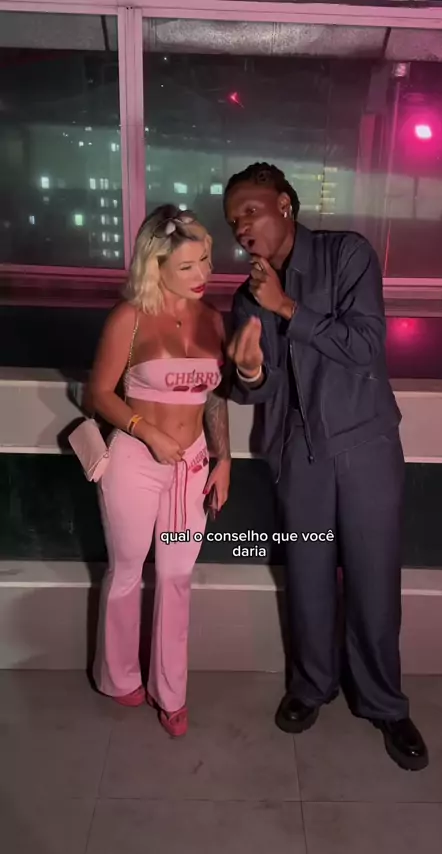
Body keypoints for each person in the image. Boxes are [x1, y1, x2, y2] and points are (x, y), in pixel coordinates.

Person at [224, 163, 428, 771]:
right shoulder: (246, 295)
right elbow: (259, 387)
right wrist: (249, 372)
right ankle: (312, 686)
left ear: (285, 205)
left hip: (364, 445)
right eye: (233, 221)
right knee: (308, 575)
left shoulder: (347, 255)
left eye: (250, 211)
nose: (241, 228)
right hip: (299, 453)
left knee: (373, 579)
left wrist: (287, 307)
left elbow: (365, 345)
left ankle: (384, 702)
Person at [86, 205, 231, 737]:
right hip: (135, 463)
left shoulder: (212, 318)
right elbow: (98, 394)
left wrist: (224, 458)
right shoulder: (128, 318)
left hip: (192, 467)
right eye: (188, 266)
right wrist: (147, 430)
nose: (203, 275)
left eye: (207, 261)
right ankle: (118, 675)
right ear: (156, 264)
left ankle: (171, 692)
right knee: (127, 571)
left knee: (176, 576)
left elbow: (215, 397)